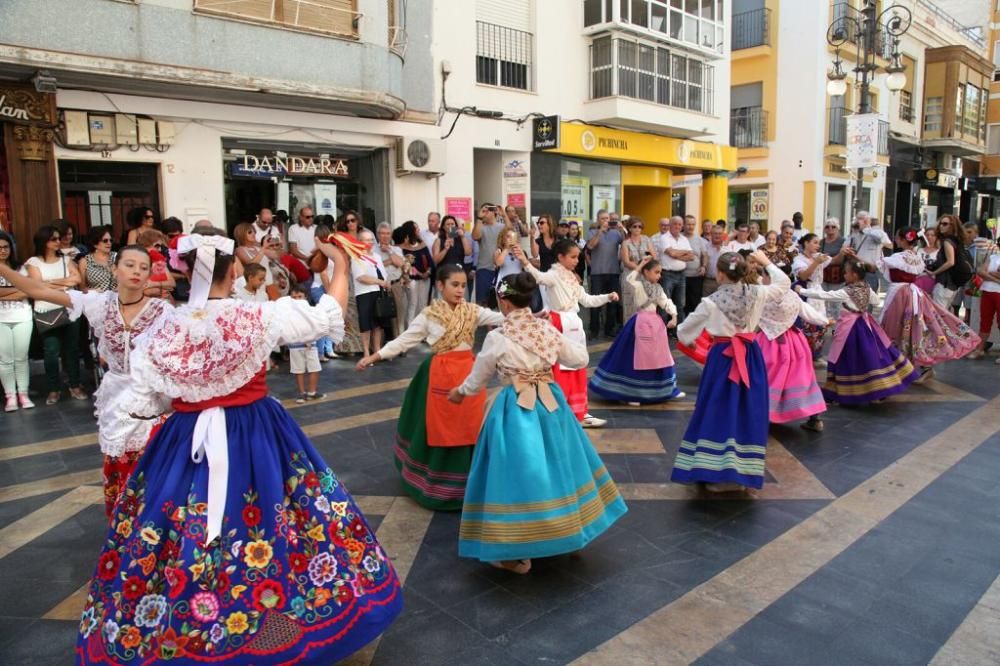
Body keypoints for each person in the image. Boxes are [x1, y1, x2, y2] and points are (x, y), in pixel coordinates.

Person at [74, 228, 402, 664]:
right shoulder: (255, 316)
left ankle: (179, 628)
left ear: (186, 273)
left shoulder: (164, 325)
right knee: (274, 518)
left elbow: (147, 400)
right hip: (255, 434)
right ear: (232, 272)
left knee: (171, 530)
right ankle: (270, 625)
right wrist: (341, 266)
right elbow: (328, 317)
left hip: (184, 438)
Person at [447, 272, 627, 574]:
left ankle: (515, 552)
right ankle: (567, 532)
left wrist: (458, 392)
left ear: (504, 302)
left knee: (516, 475)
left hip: (514, 408)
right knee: (560, 465)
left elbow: (478, 380)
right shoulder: (545, 330)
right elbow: (580, 358)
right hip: (551, 404)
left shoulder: (497, 337)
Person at [1, 245, 170, 516]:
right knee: (119, 477)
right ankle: (122, 544)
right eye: (129, 264)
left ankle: (152, 546)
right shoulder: (100, 303)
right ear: (114, 269)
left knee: (154, 482)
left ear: (150, 274)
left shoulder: (162, 311)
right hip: (117, 402)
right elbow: (38, 291)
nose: (136, 271)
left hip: (153, 401)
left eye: (143, 267)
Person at [357, 264, 504, 509]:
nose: (459, 290)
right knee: (441, 427)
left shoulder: (473, 311)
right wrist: (374, 356)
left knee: (471, 425)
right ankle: (440, 487)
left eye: (463, 286)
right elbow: (406, 339)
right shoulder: (429, 315)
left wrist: (532, 315)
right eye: (454, 285)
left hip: (469, 373)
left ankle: (472, 483)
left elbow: (504, 317)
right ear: (440, 285)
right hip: (441, 374)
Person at [671, 250, 789, 492]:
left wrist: (690, 340)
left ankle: (714, 471)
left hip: (722, 360)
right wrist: (767, 262)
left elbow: (683, 331)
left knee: (717, 409)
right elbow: (784, 283)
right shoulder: (758, 293)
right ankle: (742, 473)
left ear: (720, 274)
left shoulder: (710, 302)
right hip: (750, 356)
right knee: (747, 410)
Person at [520, 239, 617, 428]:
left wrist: (607, 296)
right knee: (559, 369)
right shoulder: (553, 275)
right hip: (559, 323)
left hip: (574, 324)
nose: (576, 261)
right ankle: (559, 410)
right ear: (560, 257)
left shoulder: (572, 277)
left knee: (577, 367)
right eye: (572, 257)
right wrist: (525, 262)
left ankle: (580, 410)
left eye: (577, 257)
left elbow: (586, 300)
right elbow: (539, 277)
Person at [797, 259, 919, 404]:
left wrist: (802, 291)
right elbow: (875, 302)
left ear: (854, 275)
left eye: (846, 273)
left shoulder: (847, 291)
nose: (844, 275)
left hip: (849, 327)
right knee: (870, 355)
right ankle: (877, 388)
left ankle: (844, 391)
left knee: (846, 356)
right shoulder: (866, 287)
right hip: (864, 324)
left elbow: (826, 295)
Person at [878, 227, 980, 380]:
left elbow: (878, 266)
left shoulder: (899, 257)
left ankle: (898, 366)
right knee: (919, 328)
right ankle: (911, 365)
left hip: (901, 295)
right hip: (915, 295)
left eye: (898, 237)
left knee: (896, 327)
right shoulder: (916, 255)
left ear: (902, 239)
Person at [588, 257, 685, 405]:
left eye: (660, 272)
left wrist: (674, 316)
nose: (659, 275)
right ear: (646, 272)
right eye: (656, 272)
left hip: (655, 325)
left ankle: (668, 388)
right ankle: (631, 393)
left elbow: (665, 302)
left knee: (660, 356)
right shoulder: (638, 285)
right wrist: (640, 264)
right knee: (635, 357)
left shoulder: (658, 289)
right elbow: (629, 279)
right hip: (640, 323)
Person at [753, 256, 829, 432]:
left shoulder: (763, 295)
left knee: (766, 377)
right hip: (794, 343)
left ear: (770, 277)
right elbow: (809, 313)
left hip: (768, 343)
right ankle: (814, 417)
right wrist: (825, 320)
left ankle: (764, 415)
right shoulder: (793, 296)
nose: (762, 279)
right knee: (802, 377)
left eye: (763, 275)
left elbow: (751, 319)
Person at [25, 225, 87, 405]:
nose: (58, 242)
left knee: (72, 349)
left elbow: (76, 279)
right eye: (54, 239)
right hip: (46, 309)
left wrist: (49, 284)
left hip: (69, 308)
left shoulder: (65, 259)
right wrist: (62, 284)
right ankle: (53, 388)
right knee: (51, 351)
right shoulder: (33, 262)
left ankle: (75, 385)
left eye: (59, 238)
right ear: (43, 241)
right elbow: (36, 286)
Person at [0, 231, 33, 411]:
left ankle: (23, 394)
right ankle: (10, 396)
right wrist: (16, 291)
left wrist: (5, 294)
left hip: (22, 316)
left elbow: (28, 291)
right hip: (1, 320)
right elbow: (21, 290)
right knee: (5, 359)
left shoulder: (20, 269)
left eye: (6, 247)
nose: (3, 251)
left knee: (21, 358)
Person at [791, 233, 833, 358]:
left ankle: (816, 353)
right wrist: (816, 263)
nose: (818, 245)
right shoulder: (798, 259)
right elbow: (803, 276)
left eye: (818, 243)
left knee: (819, 321)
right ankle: (804, 353)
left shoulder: (817, 256)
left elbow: (832, 260)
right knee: (806, 322)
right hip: (805, 292)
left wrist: (842, 253)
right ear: (806, 243)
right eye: (815, 242)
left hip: (817, 292)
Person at [585, 209, 624, 336]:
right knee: (595, 302)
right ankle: (594, 330)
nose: (606, 221)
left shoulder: (616, 233)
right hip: (597, 273)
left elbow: (627, 243)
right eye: (603, 218)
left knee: (612, 303)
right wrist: (600, 232)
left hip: (613, 272)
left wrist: (622, 229)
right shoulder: (592, 232)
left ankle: (609, 330)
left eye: (607, 218)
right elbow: (590, 246)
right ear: (598, 220)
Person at [284, 284, 325, 402]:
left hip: (311, 344)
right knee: (298, 370)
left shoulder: (310, 310)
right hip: (295, 345)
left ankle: (312, 392)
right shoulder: (289, 312)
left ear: (305, 297)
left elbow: (315, 325)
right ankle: (301, 393)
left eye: (299, 296)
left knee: (315, 368)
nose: (297, 300)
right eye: (294, 297)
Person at [352, 229, 390, 358]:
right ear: (360, 242)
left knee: (377, 324)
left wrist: (385, 282)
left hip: (378, 292)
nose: (369, 242)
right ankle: (366, 351)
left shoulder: (377, 256)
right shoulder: (357, 257)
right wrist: (379, 281)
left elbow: (383, 273)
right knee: (366, 324)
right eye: (366, 240)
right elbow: (360, 277)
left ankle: (377, 350)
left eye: (371, 240)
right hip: (364, 293)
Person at [333, 211, 366, 355]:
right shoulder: (342, 238)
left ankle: (363, 345)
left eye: (353, 220)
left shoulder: (365, 235)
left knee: (362, 311)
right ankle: (347, 347)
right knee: (349, 311)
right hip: (349, 274)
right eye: (347, 221)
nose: (351, 223)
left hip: (364, 274)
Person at [926, 214, 973, 311]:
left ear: (952, 226)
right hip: (952, 285)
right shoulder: (957, 241)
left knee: (938, 316)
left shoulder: (948, 241)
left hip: (945, 284)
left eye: (945, 224)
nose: (941, 226)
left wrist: (934, 272)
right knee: (943, 315)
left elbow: (950, 262)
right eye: (940, 224)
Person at [652, 216, 692, 326]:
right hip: (667, 275)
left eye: (680, 224)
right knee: (665, 303)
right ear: (670, 225)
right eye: (675, 224)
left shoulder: (684, 239)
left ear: (682, 226)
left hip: (681, 274)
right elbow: (671, 253)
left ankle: (679, 332)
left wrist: (675, 254)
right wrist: (682, 253)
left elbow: (691, 256)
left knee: (680, 304)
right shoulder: (664, 238)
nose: (677, 226)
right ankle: (662, 331)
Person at [968, 242, 1000, 362]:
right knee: (985, 321)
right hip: (987, 292)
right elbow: (981, 272)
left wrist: (989, 274)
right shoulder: (993, 257)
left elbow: (985, 273)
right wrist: (996, 278)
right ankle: (979, 349)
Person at [375, 221, 407, 340]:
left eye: (388, 233)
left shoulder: (396, 250)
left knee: (398, 315)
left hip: (395, 285)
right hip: (380, 286)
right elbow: (374, 267)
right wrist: (390, 261)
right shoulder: (373, 249)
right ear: (378, 234)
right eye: (382, 233)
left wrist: (389, 252)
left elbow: (402, 263)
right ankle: (382, 344)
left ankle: (399, 344)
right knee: (380, 316)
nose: (385, 236)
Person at [398, 220, 433, 327]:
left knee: (422, 305)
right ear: (411, 231)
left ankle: (421, 331)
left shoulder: (422, 244)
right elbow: (403, 265)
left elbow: (430, 261)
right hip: (411, 280)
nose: (419, 230)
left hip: (425, 280)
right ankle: (410, 330)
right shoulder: (402, 248)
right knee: (412, 305)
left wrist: (428, 272)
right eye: (416, 229)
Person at [472, 203, 507, 306]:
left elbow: (511, 232)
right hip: (484, 269)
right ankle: (483, 322)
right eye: (484, 210)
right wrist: (479, 218)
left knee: (504, 299)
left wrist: (504, 215)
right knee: (482, 301)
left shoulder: (502, 227)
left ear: (494, 212)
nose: (486, 212)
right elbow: (475, 236)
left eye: (488, 210)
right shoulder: (480, 227)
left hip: (502, 270)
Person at [619, 216, 654, 321]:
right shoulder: (626, 243)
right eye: (634, 226)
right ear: (629, 228)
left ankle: (642, 333)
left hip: (645, 278)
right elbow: (626, 262)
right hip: (630, 277)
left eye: (640, 226)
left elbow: (653, 256)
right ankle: (629, 335)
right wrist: (641, 268)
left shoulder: (647, 239)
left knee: (645, 306)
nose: (637, 229)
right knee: (630, 308)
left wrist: (646, 264)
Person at [846, 211, 892, 290]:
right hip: (854, 271)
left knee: (867, 298)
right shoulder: (854, 234)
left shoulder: (877, 232)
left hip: (868, 271)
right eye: (857, 218)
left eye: (860, 219)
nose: (857, 221)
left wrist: (866, 228)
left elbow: (885, 242)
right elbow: (846, 245)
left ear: (867, 220)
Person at [683, 215, 709, 316]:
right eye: (688, 224)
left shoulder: (700, 240)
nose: (691, 227)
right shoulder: (679, 238)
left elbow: (705, 255)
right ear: (684, 225)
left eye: (693, 224)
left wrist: (704, 266)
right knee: (682, 303)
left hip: (696, 277)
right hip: (681, 276)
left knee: (695, 303)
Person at [79, 226, 117, 293]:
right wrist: (94, 291)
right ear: (95, 244)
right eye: (105, 241)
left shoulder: (117, 257)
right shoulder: (85, 261)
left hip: (118, 298)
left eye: (111, 240)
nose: (109, 243)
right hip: (96, 299)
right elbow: (82, 288)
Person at [286, 205, 317, 274]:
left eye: (312, 216)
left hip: (315, 265)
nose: (311, 219)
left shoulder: (316, 228)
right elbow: (293, 249)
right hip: (301, 266)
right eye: (307, 217)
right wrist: (306, 259)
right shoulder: (293, 228)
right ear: (301, 217)